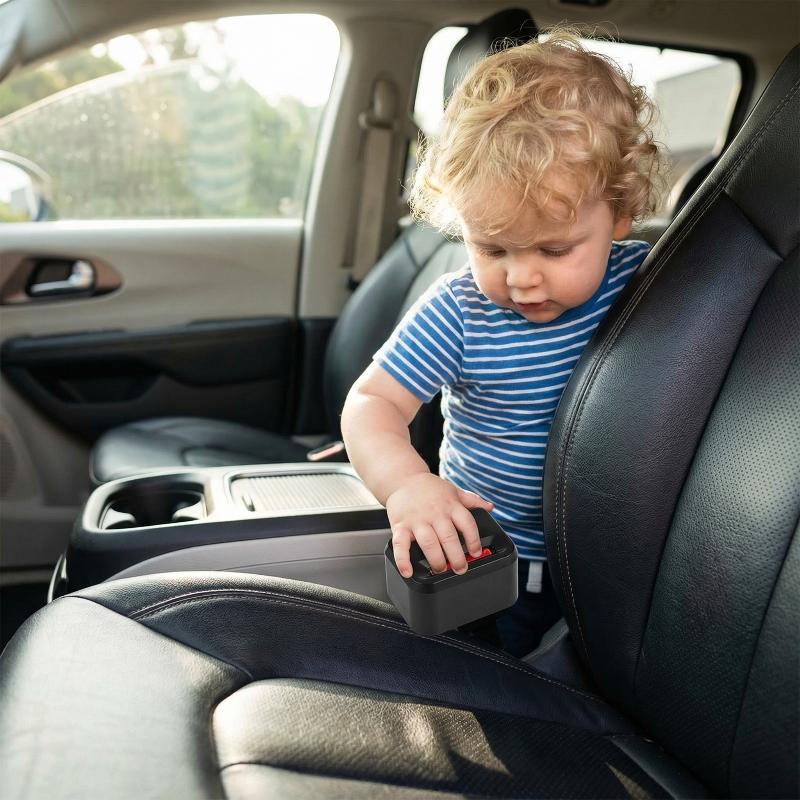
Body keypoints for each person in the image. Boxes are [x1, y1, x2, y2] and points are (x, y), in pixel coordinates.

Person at [341, 29, 663, 656]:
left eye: (554, 249)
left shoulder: (652, 285)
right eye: (491, 248)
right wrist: (408, 486)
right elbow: (371, 403)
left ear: (621, 213)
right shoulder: (459, 312)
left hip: (604, 572)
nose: (521, 279)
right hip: (487, 563)